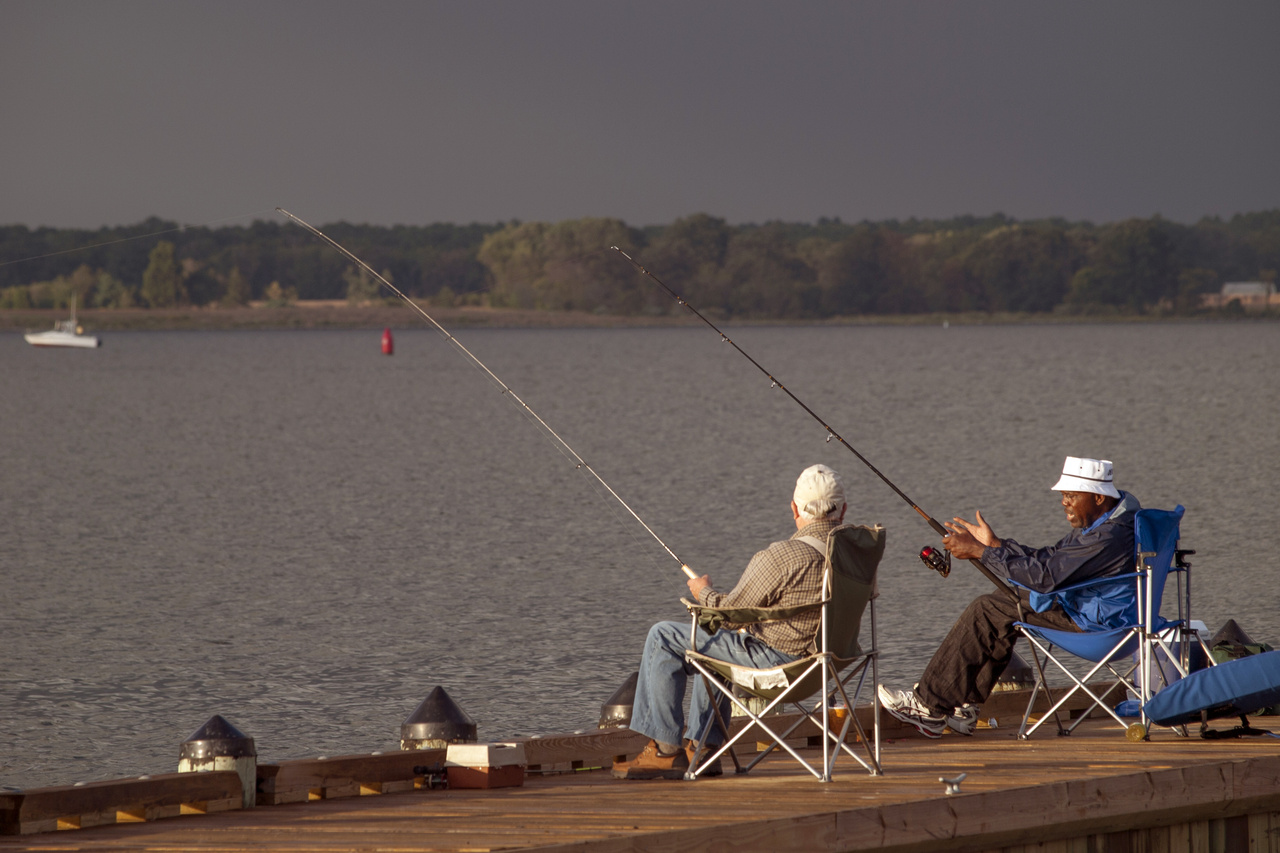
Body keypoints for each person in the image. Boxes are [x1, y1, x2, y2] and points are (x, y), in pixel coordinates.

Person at [612, 463, 849, 780]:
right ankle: (705, 749)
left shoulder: (782, 556)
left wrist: (703, 592)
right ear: (843, 510)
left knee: (662, 636)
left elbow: (729, 612)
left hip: (779, 667)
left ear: (794, 508)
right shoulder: (856, 555)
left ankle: (665, 751)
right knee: (718, 644)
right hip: (827, 664)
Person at [878, 456, 1141, 738]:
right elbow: (1049, 559)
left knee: (988, 608)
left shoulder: (1107, 537)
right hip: (1117, 620)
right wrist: (995, 545)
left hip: (1099, 628)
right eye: (1064, 495)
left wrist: (981, 553)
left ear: (1099, 498)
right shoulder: (1113, 524)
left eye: (1071, 495)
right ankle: (963, 705)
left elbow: (1045, 578)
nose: (1064, 502)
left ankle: (928, 706)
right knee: (1004, 603)